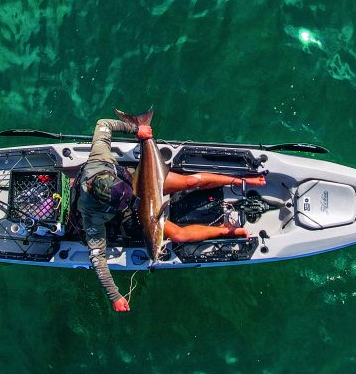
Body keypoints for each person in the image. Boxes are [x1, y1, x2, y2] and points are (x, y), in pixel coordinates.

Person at [77, 115, 266, 312]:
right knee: (178, 235)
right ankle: (226, 231)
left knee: (190, 182)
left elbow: (103, 123)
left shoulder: (99, 158)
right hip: (132, 213)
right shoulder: (92, 216)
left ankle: (238, 180)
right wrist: (114, 295)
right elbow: (97, 258)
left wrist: (136, 130)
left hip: (136, 183)